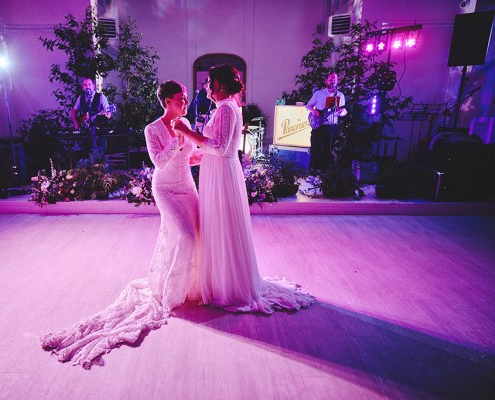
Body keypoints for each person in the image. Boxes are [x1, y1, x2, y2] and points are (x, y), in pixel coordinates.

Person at [41, 81, 202, 368]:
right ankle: (172, 293)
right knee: (186, 236)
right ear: (167, 102)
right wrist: (178, 141)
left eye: (186, 98)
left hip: (187, 186)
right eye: (181, 98)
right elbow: (159, 162)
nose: (186, 102)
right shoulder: (152, 129)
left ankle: (190, 285)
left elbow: (189, 158)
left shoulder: (186, 121)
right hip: (165, 189)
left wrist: (211, 157)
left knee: (197, 236)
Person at [172, 64, 314, 314]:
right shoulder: (224, 108)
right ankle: (220, 281)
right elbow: (214, 148)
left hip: (222, 175)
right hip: (216, 171)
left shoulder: (227, 108)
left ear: (221, 86)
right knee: (217, 226)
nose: (206, 86)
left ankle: (229, 287)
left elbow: (221, 148)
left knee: (222, 225)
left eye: (209, 82)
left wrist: (187, 133)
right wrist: (194, 155)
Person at [305, 72, 347, 172]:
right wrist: (314, 111)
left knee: (328, 150)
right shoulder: (318, 93)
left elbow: (344, 111)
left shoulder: (340, 95)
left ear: (337, 82)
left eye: (335, 80)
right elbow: (308, 106)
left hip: (331, 127)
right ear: (326, 81)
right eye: (330, 79)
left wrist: (341, 112)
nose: (332, 81)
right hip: (319, 125)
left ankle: (325, 172)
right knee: (316, 148)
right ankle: (314, 170)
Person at [71, 76, 112, 152]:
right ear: (82, 87)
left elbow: (108, 112)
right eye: (85, 85)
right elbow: (74, 112)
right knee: (86, 154)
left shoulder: (101, 97)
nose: (87, 87)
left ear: (93, 86)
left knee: (99, 156)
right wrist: (76, 125)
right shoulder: (81, 98)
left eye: (89, 84)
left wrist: (105, 117)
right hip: (85, 132)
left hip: (98, 132)